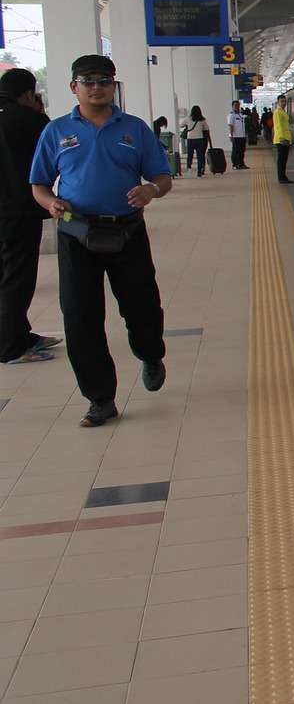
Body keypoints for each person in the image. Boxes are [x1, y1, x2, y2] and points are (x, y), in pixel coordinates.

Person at [29, 55, 171, 427]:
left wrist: (151, 190)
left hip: (127, 231)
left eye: (104, 80)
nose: (97, 87)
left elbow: (162, 176)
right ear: (73, 87)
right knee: (80, 316)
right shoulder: (56, 131)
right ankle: (100, 399)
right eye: (88, 81)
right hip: (76, 234)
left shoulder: (134, 129)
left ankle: (150, 354)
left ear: (113, 86)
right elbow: (39, 184)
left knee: (142, 306)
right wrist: (50, 202)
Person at [0, 68, 58, 365]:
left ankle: (18, 334)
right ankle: (11, 347)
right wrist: (38, 111)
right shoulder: (28, 118)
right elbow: (53, 143)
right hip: (19, 211)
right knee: (18, 277)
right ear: (27, 94)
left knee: (5, 276)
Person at [184, 106, 211, 178]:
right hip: (199, 139)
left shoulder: (188, 119)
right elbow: (206, 129)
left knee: (190, 155)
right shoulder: (202, 120)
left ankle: (189, 169)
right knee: (200, 156)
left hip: (190, 139)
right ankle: (199, 171)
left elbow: (181, 125)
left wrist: (187, 126)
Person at [273, 94, 293, 183]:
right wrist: (282, 138)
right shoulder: (278, 112)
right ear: (278, 102)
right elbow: (278, 126)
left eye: (285, 101)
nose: (284, 103)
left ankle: (283, 177)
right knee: (281, 159)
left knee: (284, 159)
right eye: (282, 101)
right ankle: (281, 178)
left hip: (285, 138)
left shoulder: (282, 111)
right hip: (281, 139)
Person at [227, 100, 249, 170]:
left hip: (242, 136)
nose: (237, 107)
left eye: (238, 105)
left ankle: (241, 164)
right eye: (235, 105)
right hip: (236, 136)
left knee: (242, 151)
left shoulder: (240, 115)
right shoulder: (231, 115)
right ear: (232, 106)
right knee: (235, 151)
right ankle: (235, 164)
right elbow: (230, 126)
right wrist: (230, 135)